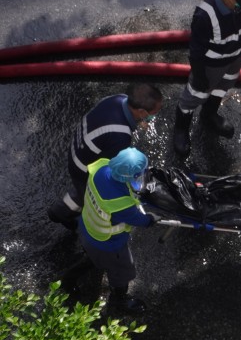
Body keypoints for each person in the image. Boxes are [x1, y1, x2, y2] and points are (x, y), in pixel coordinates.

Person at [47, 83, 163, 230]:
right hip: (82, 166)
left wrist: (140, 121)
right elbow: (114, 167)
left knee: (81, 190)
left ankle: (63, 208)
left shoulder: (119, 99)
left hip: (79, 146)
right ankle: (59, 213)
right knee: (88, 195)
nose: (153, 117)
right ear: (140, 111)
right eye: (152, 114)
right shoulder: (119, 136)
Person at [173, 0, 241, 158]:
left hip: (234, 59)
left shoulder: (240, 3)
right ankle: (181, 129)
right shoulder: (205, 15)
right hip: (211, 65)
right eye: (240, 4)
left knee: (223, 86)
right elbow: (196, 50)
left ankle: (208, 115)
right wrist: (199, 74)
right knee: (194, 95)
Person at [75, 147, 157, 316]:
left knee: (92, 257)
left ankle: (71, 276)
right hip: (107, 242)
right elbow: (139, 220)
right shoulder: (120, 204)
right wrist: (150, 220)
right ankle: (119, 300)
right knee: (123, 270)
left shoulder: (101, 168)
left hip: (86, 225)